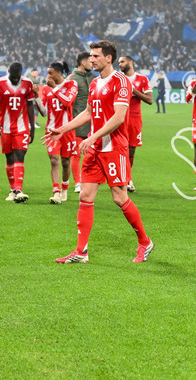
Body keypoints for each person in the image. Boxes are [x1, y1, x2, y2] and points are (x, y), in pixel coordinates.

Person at [43, 40, 154, 264]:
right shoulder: (94, 83)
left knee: (119, 197)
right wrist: (62, 130)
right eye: (91, 56)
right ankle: (81, 252)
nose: (91, 60)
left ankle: (145, 242)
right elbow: (87, 113)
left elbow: (119, 117)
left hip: (114, 148)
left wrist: (93, 136)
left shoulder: (121, 81)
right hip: (94, 149)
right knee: (85, 196)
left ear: (108, 58)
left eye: (95, 56)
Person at [0, 62, 36, 202]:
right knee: (9, 158)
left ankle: (18, 190)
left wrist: (32, 127)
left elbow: (30, 105)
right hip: (5, 127)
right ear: (8, 72)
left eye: (17, 77)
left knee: (20, 155)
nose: (15, 79)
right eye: (13, 77)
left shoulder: (28, 83)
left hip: (22, 127)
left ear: (21, 73)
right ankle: (12, 190)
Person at [42, 61, 78, 204]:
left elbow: (67, 102)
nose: (48, 76)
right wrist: (37, 97)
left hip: (67, 130)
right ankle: (56, 191)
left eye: (50, 73)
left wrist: (55, 89)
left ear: (58, 73)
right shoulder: (46, 89)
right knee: (54, 160)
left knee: (65, 161)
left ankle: (64, 188)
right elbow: (44, 111)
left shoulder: (71, 85)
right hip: (51, 130)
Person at [118, 56, 153, 192]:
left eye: (122, 62)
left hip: (134, 118)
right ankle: (127, 179)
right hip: (120, 117)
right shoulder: (118, 78)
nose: (120, 64)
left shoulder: (142, 79)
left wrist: (133, 90)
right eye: (119, 62)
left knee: (131, 149)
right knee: (121, 148)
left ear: (130, 62)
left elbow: (150, 100)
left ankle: (126, 177)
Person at [68, 51, 95, 193]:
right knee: (76, 154)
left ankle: (89, 180)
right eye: (90, 61)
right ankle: (77, 182)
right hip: (77, 123)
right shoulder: (72, 79)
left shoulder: (95, 78)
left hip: (94, 124)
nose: (93, 63)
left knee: (92, 154)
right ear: (83, 63)